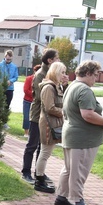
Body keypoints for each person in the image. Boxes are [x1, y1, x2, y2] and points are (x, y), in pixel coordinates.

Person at [54, 60, 103, 205]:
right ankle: (78, 203)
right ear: (87, 73)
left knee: (69, 169)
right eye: (95, 75)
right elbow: (87, 114)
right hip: (83, 139)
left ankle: (62, 196)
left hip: (71, 134)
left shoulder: (72, 86)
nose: (96, 79)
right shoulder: (84, 90)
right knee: (79, 171)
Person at [21, 49, 60, 184]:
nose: (58, 61)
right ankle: (25, 172)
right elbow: (39, 96)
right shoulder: (40, 74)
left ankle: (39, 173)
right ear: (50, 60)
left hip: (46, 117)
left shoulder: (50, 74)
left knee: (42, 146)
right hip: (38, 115)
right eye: (57, 58)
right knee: (32, 145)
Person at [34, 62, 67, 194]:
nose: (64, 75)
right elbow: (49, 108)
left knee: (46, 152)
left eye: (65, 72)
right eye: (62, 72)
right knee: (45, 152)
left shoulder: (56, 86)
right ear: (55, 72)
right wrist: (64, 112)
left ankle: (40, 177)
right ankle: (39, 179)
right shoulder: (49, 87)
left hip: (54, 123)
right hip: (48, 124)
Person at [0, 50, 19, 121]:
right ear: (5, 57)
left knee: (7, 105)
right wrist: (0, 82)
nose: (8, 60)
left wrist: (11, 81)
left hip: (10, 89)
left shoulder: (14, 67)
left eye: (10, 59)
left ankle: (4, 121)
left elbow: (16, 77)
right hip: (1, 88)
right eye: (7, 59)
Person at [22, 64, 41, 137]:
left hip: (36, 102)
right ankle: (26, 132)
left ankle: (32, 133)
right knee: (26, 116)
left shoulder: (42, 80)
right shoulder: (29, 79)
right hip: (27, 101)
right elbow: (26, 90)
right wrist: (35, 95)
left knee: (35, 118)